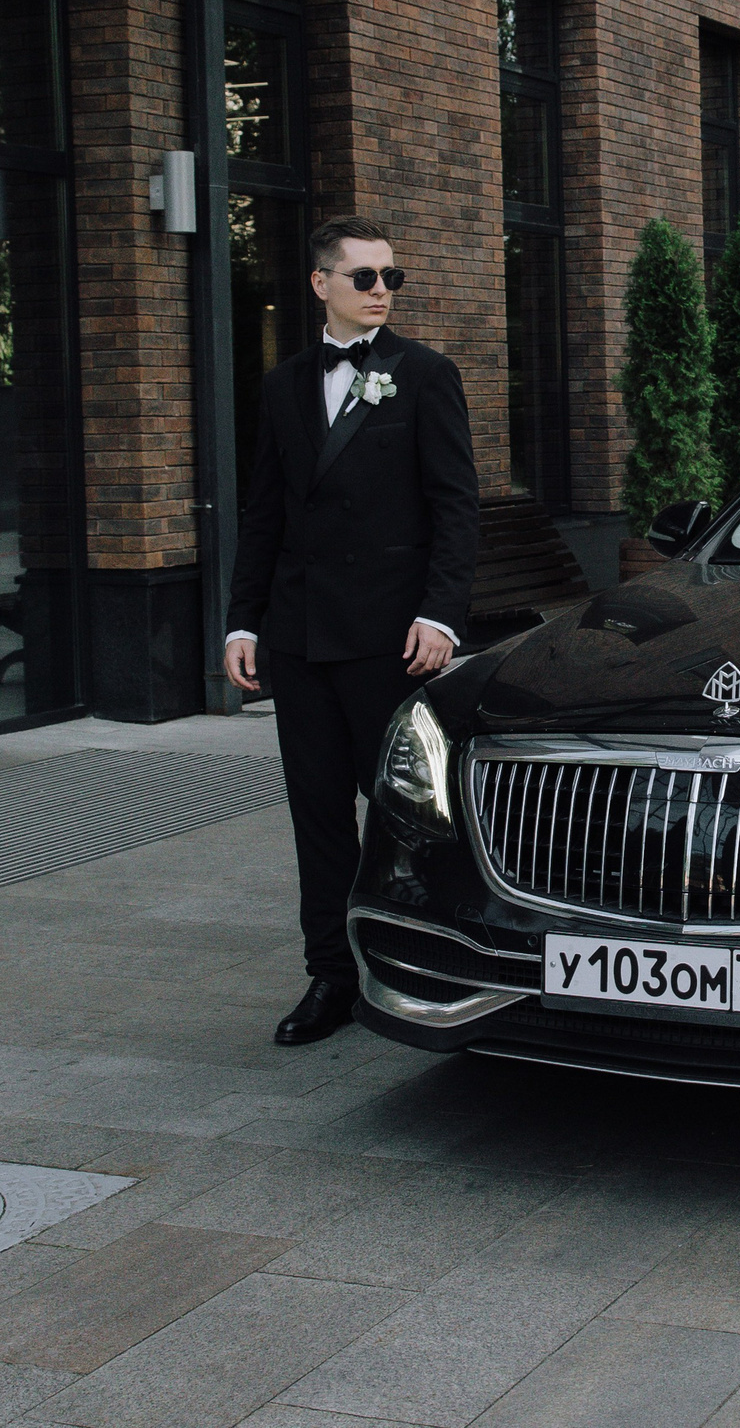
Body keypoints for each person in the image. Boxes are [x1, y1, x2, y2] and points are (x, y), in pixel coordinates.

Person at [224, 215, 480, 1045]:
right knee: (318, 815)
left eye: (389, 278)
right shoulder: (283, 384)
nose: (380, 291)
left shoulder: (426, 375)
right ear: (319, 283)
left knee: (409, 813)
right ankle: (329, 976)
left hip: (389, 637)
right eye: (364, 276)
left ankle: (440, 960)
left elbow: (454, 507)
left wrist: (441, 613)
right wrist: (242, 621)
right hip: (298, 639)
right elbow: (264, 514)